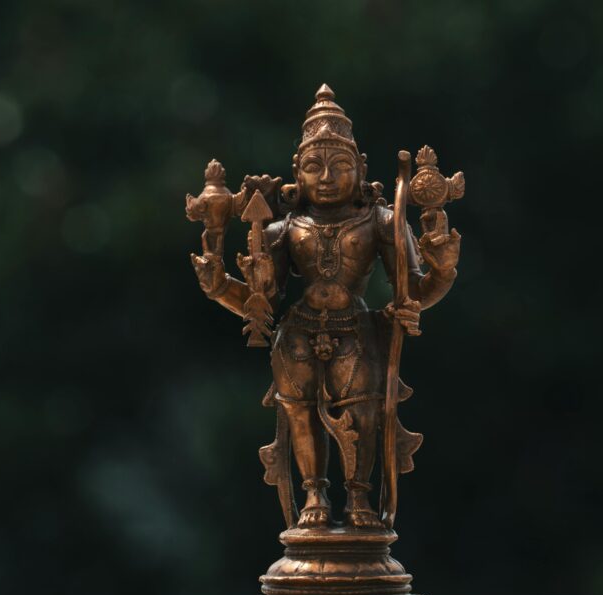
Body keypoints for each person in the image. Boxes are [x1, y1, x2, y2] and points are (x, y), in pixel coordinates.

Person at [191, 85, 460, 528]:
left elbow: (411, 290)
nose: (328, 177)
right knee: (299, 415)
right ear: (298, 172)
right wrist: (219, 285)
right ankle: (313, 494)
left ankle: (359, 499)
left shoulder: (381, 221)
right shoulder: (282, 228)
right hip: (297, 332)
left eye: (340, 166)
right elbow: (262, 301)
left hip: (357, 331)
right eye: (314, 167)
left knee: (364, 412)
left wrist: (442, 273)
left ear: (361, 170)